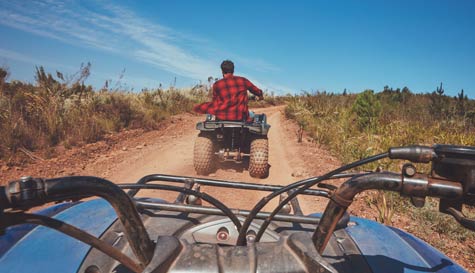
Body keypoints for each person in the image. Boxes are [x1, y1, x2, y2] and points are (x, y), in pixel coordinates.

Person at [193, 60, 263, 121]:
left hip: (222, 115)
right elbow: (256, 90)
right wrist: (260, 95)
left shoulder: (217, 84)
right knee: (252, 114)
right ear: (233, 70)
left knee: (204, 107)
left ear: (222, 71)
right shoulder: (243, 80)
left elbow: (215, 101)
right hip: (241, 116)